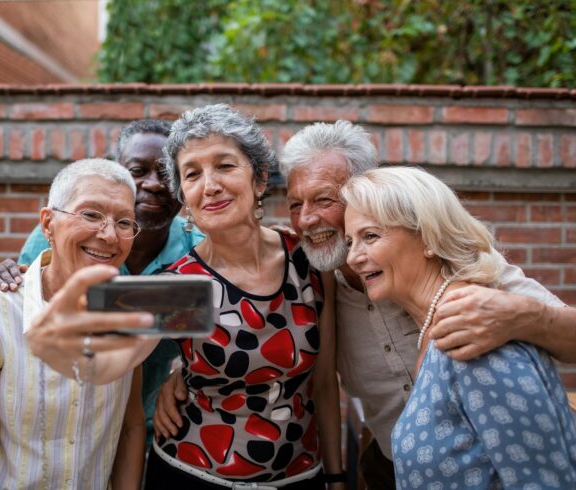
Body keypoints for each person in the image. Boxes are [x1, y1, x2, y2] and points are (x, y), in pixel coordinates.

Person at [156, 119, 576, 489]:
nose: (308, 219)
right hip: (385, 469)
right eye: (296, 204)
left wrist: (522, 315)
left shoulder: (463, 275)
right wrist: (172, 372)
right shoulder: (312, 273)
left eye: (325, 201)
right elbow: (110, 323)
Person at [27, 104, 344, 489]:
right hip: (193, 477)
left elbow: (325, 383)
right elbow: (106, 355)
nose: (209, 185)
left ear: (259, 178)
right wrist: (68, 335)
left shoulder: (305, 261)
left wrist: (337, 477)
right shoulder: (183, 288)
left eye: (225, 166)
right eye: (192, 174)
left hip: (300, 478)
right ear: (185, 197)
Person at [342, 166, 576, 488]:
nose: (353, 257)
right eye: (350, 241)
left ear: (428, 238)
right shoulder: (436, 328)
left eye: (370, 236)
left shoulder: (478, 334)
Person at [0, 119, 205, 445]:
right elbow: (24, 319)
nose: (155, 184)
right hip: (60, 432)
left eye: (168, 173)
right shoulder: (59, 233)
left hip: (153, 431)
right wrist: (12, 287)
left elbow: (211, 317)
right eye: (137, 170)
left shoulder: (197, 249)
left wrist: (184, 373)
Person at [0, 159, 148, 489]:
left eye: (124, 222)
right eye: (91, 214)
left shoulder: (131, 316)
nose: (109, 235)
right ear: (48, 223)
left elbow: (129, 428)